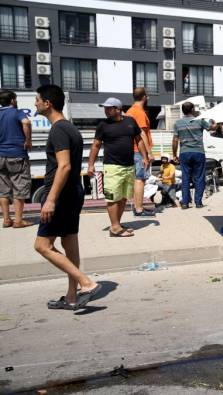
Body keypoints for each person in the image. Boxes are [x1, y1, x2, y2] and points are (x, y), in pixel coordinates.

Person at [33, 85, 101, 310]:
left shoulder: (59, 130)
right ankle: (72, 297)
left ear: (47, 103)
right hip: (73, 192)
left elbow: (64, 166)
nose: (35, 103)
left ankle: (86, 282)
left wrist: (50, 199)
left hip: (61, 194)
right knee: (70, 243)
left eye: (37, 100)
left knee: (42, 245)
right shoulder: (70, 128)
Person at [87, 98, 150, 237]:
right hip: (112, 167)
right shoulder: (103, 125)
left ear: (117, 109)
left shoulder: (130, 122)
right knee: (112, 198)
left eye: (108, 108)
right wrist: (90, 164)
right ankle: (115, 228)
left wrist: (145, 157)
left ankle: (117, 224)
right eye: (105, 108)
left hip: (129, 166)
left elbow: (138, 140)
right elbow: (96, 145)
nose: (105, 110)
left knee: (123, 198)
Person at [172, 102, 216, 209]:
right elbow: (212, 128)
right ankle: (198, 202)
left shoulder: (177, 123)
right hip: (198, 152)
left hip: (184, 153)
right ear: (192, 109)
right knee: (199, 177)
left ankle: (185, 203)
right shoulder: (199, 121)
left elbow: (175, 140)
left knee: (185, 177)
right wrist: (214, 120)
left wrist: (174, 154)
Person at [0, 89, 32, 229]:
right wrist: (28, 140)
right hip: (17, 154)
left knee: (3, 189)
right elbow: (26, 122)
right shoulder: (17, 112)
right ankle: (18, 220)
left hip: (0, 156)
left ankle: (6, 219)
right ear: (12, 100)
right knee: (19, 187)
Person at [126, 87, 155, 217]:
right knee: (140, 179)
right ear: (144, 97)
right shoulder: (139, 113)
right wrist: (148, 152)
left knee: (136, 179)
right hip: (139, 150)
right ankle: (139, 209)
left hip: (131, 149)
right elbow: (142, 133)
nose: (148, 98)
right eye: (147, 96)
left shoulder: (129, 111)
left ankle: (137, 206)